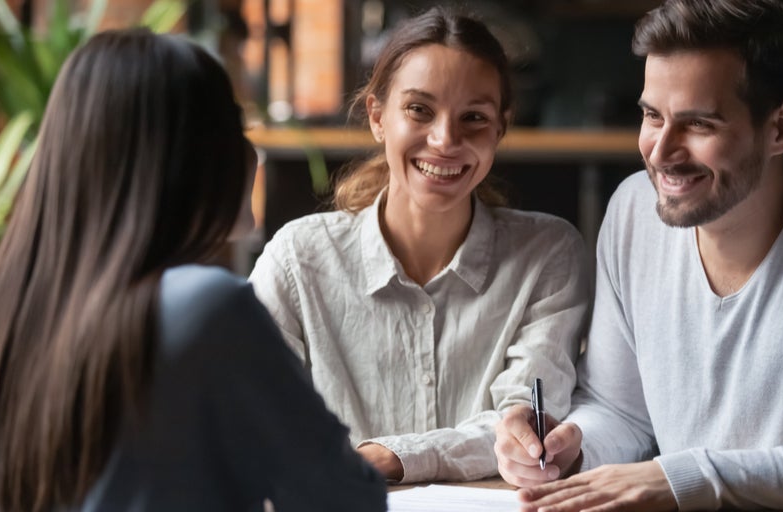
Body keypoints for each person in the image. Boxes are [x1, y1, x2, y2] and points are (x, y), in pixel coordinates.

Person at [494, 1, 783, 510]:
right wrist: (570, 448)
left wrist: (680, 478)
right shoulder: (633, 212)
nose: (662, 152)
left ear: (781, 127)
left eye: (699, 124)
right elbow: (620, 411)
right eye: (651, 116)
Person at [0, 29, 386, 512]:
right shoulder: (205, 307)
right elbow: (343, 498)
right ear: (185, 158)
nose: (250, 154)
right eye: (235, 129)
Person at [249, 7, 591, 484]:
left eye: (474, 117)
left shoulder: (548, 254)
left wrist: (390, 458)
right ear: (377, 117)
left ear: (500, 129)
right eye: (419, 109)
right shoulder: (297, 261)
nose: (445, 139)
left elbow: (522, 430)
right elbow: (255, 423)